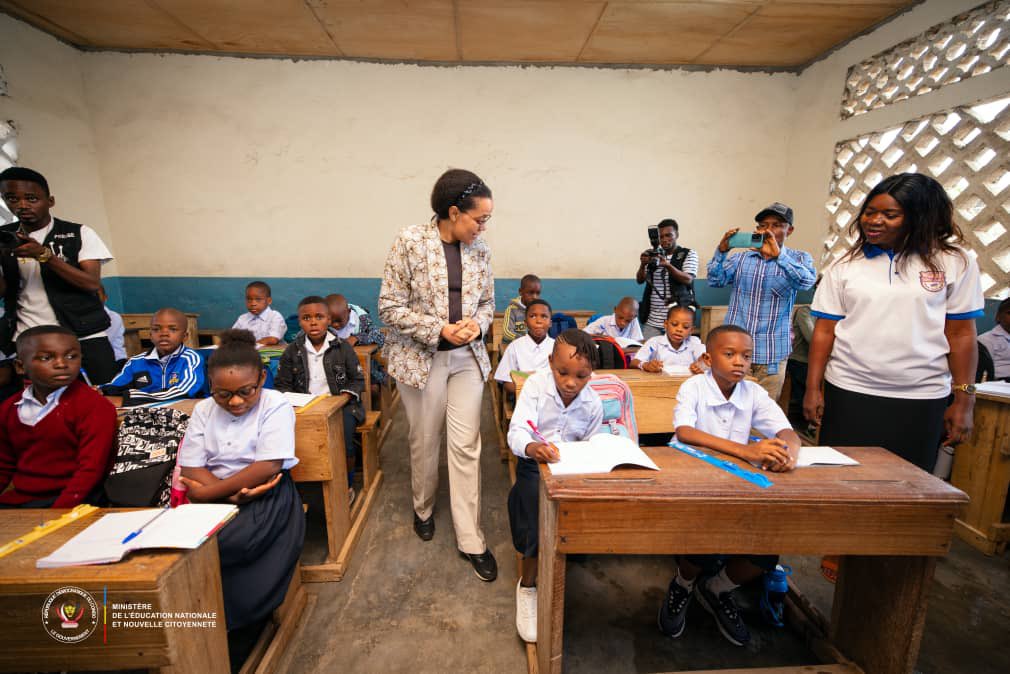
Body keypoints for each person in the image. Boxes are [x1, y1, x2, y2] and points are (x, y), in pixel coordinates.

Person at [804, 173, 985, 471]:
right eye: (870, 212)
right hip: (850, 390)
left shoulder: (955, 262)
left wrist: (964, 401)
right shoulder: (847, 264)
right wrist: (814, 388)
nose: (874, 221)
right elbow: (825, 331)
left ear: (920, 217)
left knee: (908, 482)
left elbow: (961, 334)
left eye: (890, 215)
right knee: (841, 477)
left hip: (921, 395)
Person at [378, 168, 497, 581]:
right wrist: (438, 329)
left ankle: (471, 537)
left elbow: (487, 303)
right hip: (421, 359)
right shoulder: (411, 242)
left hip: (467, 359)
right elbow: (389, 307)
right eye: (479, 219)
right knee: (425, 439)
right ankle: (423, 507)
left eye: (487, 220)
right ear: (452, 211)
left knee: (466, 445)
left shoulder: (481, 251)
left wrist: (476, 326)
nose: (483, 227)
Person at [658, 324, 799, 646]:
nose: (740, 362)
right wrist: (747, 451)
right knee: (706, 537)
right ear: (708, 358)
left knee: (766, 551)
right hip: (693, 480)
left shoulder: (754, 392)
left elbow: (786, 431)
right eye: (730, 354)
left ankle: (718, 588)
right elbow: (685, 432)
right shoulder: (694, 387)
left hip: (738, 482)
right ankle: (683, 584)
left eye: (746, 356)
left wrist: (788, 453)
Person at [176, 329, 305, 670]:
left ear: (262, 378)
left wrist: (205, 493)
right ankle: (193, 622)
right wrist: (224, 492)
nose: (235, 402)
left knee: (233, 543)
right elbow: (191, 465)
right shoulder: (204, 410)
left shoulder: (274, 403)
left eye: (246, 391)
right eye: (223, 394)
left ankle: (238, 624)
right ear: (210, 386)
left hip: (265, 495)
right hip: (222, 494)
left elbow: (268, 466)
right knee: (180, 551)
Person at [507, 329, 603, 643]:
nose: (571, 382)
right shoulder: (535, 386)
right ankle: (529, 585)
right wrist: (533, 448)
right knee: (532, 519)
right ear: (550, 363)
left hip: (571, 469)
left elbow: (591, 444)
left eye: (581, 376)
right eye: (563, 372)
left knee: (589, 511)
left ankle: (567, 553)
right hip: (534, 464)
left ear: (591, 374)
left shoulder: (592, 402)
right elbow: (517, 431)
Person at [0, 167, 118, 384]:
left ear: (50, 201)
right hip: (28, 335)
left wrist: (45, 256)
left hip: (82, 333)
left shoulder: (78, 233)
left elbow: (91, 283)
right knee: (38, 404)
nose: (22, 205)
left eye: (31, 198)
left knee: (105, 395)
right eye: (12, 198)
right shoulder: (5, 237)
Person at [707, 202, 816, 400]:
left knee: (762, 419)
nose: (769, 231)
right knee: (726, 413)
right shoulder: (741, 259)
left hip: (772, 356)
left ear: (789, 230)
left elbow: (806, 282)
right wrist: (721, 251)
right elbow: (715, 280)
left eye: (776, 225)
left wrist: (780, 256)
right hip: (734, 354)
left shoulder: (799, 258)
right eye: (763, 225)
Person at [0, 325, 117, 508]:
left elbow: (90, 470)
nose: (62, 364)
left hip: (76, 499)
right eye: (46, 358)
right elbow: (4, 464)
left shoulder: (94, 406)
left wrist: (57, 513)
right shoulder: (9, 408)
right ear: (20, 366)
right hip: (23, 498)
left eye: (71, 356)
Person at [275, 296, 365, 504]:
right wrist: (294, 402)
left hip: (341, 405)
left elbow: (357, 380)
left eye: (319, 317)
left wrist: (342, 399)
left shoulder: (342, 348)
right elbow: (282, 385)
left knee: (344, 441)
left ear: (328, 319)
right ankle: (303, 485)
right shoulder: (292, 351)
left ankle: (347, 483)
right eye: (306, 318)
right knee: (295, 440)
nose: (313, 322)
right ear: (299, 321)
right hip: (304, 406)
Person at [100, 307, 205, 405]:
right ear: (150, 335)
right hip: (147, 413)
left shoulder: (190, 358)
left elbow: (183, 391)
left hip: (184, 411)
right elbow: (115, 387)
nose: (164, 333)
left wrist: (130, 398)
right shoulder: (136, 362)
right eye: (156, 329)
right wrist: (100, 390)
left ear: (185, 336)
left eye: (173, 329)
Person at [636, 219, 697, 340]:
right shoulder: (653, 254)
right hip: (653, 320)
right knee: (650, 354)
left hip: (677, 320)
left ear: (677, 235)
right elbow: (640, 280)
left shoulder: (687, 253)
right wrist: (643, 264)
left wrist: (668, 266)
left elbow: (688, 279)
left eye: (668, 235)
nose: (664, 239)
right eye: (661, 236)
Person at [326, 292, 387, 390]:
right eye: (331, 321)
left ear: (349, 312)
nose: (336, 325)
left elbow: (380, 337)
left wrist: (357, 338)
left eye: (339, 321)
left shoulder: (362, 322)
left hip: (363, 366)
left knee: (372, 388)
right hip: (338, 369)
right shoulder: (325, 326)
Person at [494, 299, 554, 396]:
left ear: (550, 323)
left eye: (544, 316)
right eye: (533, 316)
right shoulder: (515, 346)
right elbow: (506, 382)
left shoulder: (557, 347)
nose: (538, 321)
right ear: (525, 323)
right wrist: (529, 391)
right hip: (522, 398)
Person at [630, 303, 705, 374]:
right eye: (674, 324)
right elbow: (634, 362)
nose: (679, 329)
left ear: (691, 330)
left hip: (688, 384)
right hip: (661, 384)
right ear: (665, 324)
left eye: (685, 327)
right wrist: (646, 365)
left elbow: (705, 361)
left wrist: (700, 365)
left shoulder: (694, 342)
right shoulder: (655, 342)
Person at [785, 299, 816, 428]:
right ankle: (803, 424)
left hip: (820, 362)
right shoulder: (805, 311)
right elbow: (812, 339)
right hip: (800, 360)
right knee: (805, 384)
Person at [232, 281, 287, 346]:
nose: (253, 304)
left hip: (271, 354)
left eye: (258, 299)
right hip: (247, 353)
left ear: (269, 301)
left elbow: (272, 339)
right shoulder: (242, 318)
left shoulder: (275, 316)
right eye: (249, 299)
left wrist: (249, 345)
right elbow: (231, 337)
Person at [502, 274, 542, 346]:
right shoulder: (512, 310)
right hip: (512, 347)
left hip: (530, 348)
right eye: (531, 293)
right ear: (520, 292)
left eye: (537, 293)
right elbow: (507, 332)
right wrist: (524, 340)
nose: (535, 297)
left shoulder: (537, 310)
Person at [978, 298, 1010, 381]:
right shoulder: (985, 340)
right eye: (1009, 313)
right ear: (998, 316)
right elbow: (983, 372)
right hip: (1000, 382)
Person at [97, 285, 127, 366]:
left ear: (105, 298)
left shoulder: (113, 317)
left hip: (116, 361)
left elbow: (101, 342)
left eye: (97, 295)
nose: (93, 300)